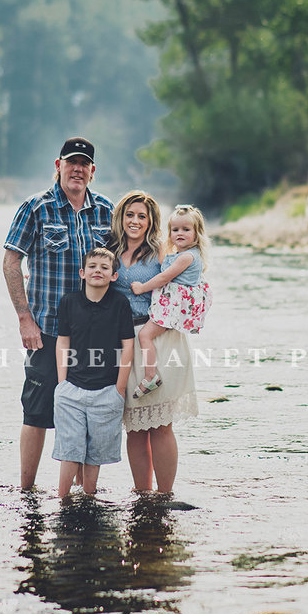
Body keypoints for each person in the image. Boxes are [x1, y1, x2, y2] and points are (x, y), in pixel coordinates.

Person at [3, 137, 113, 490]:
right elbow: (11, 262)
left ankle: (81, 494)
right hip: (47, 330)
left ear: (92, 171)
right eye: (71, 162)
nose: (77, 169)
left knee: (88, 412)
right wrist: (25, 319)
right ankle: (27, 491)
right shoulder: (36, 207)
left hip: (94, 334)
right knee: (36, 412)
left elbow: (122, 266)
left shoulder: (106, 211)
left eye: (84, 164)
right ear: (58, 166)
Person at [107, 191, 199, 494]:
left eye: (142, 216)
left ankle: (164, 495)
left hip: (160, 337)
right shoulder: (109, 250)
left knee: (160, 425)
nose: (135, 221)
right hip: (124, 341)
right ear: (121, 217)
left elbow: (186, 284)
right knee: (134, 426)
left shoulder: (162, 251)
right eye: (130, 215)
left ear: (150, 222)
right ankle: (143, 495)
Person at [53, 247, 135, 497]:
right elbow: (63, 341)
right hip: (71, 390)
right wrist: (62, 383)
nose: (97, 271)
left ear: (113, 276)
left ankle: (90, 497)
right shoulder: (69, 302)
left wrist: (120, 388)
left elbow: (128, 345)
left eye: (104, 267)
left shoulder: (120, 304)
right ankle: (63, 499)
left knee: (95, 455)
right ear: (82, 273)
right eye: (92, 266)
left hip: (107, 391)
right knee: (69, 450)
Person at [129, 204, 212, 398]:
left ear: (197, 232)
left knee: (145, 335)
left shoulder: (186, 257)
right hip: (173, 304)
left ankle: (150, 376)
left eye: (186, 229)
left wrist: (142, 287)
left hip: (173, 307)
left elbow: (163, 278)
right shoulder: (182, 254)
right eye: (175, 230)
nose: (179, 233)